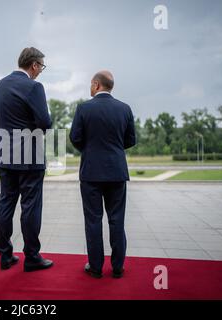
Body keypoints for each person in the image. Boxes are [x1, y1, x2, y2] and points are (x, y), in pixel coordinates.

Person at [0, 47, 53, 272]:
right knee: (31, 206)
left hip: (5, 153)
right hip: (30, 156)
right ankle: (32, 256)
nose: (41, 72)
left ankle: (5, 256)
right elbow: (45, 123)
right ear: (34, 65)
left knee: (6, 202)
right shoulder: (34, 87)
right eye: (41, 67)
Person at [69, 70, 136, 279]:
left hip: (91, 172)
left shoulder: (84, 108)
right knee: (117, 219)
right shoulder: (125, 109)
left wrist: (89, 150)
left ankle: (96, 267)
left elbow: (75, 137)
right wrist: (114, 150)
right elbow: (130, 140)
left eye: (91, 84)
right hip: (116, 171)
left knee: (93, 220)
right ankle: (118, 266)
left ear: (96, 84)